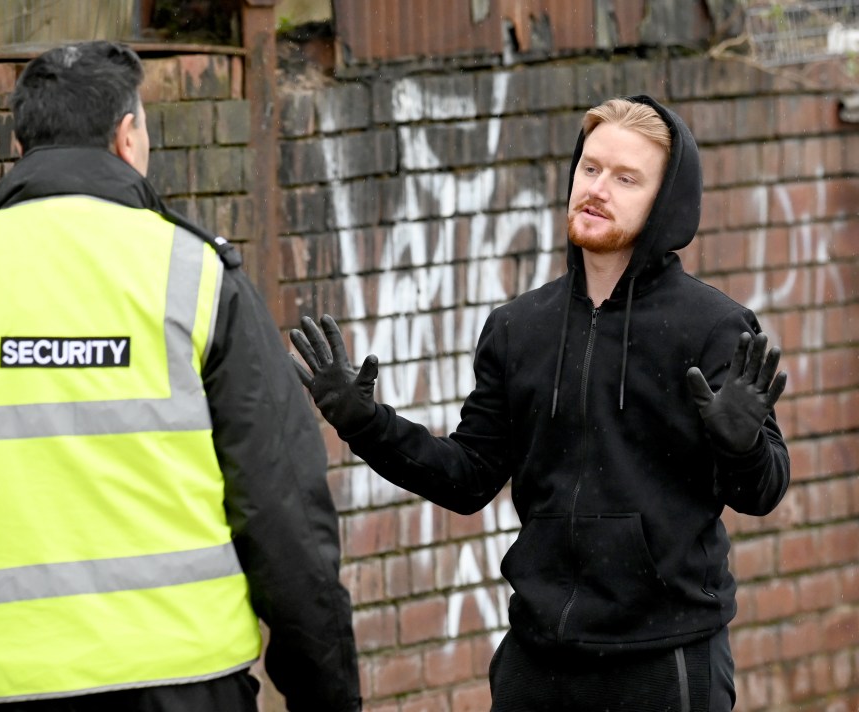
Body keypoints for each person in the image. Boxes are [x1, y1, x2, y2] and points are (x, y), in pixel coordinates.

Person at [0, 41, 360, 712]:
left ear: (20, 148)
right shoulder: (195, 273)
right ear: (127, 136)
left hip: (15, 692)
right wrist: (329, 697)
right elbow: (284, 515)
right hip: (187, 685)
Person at [290, 95, 789, 711]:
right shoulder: (519, 327)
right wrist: (365, 425)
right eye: (590, 168)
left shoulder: (713, 327)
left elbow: (762, 491)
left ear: (666, 203)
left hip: (664, 662)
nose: (598, 188)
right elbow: (467, 477)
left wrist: (741, 446)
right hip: (536, 663)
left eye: (626, 178)